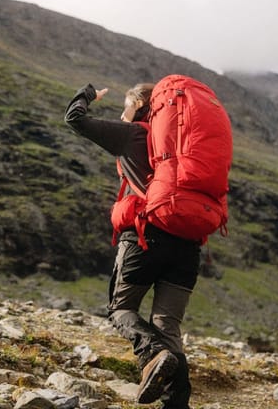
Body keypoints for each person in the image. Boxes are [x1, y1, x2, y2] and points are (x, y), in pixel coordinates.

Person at [65, 83, 200, 409]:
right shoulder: (184, 145)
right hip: (189, 245)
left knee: (122, 309)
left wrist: (88, 94)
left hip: (146, 237)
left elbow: (74, 119)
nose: (122, 113)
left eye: (126, 105)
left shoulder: (135, 134)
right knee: (167, 324)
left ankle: (154, 354)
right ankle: (177, 404)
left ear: (139, 103)